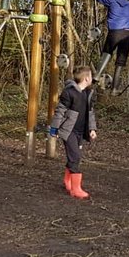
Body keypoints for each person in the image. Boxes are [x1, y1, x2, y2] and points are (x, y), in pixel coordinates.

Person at [47, 65, 97, 199]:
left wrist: (92, 129)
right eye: (91, 76)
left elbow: (90, 113)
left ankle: (67, 181)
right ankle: (76, 189)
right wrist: (54, 128)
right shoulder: (69, 92)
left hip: (81, 131)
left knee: (74, 157)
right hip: (68, 131)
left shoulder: (87, 93)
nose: (92, 79)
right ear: (86, 78)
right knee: (75, 157)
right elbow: (60, 112)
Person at [93, 0, 129, 89]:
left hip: (115, 32)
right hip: (128, 32)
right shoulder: (127, 0)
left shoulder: (111, 1)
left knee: (107, 52)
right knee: (120, 61)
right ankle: (115, 88)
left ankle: (97, 75)